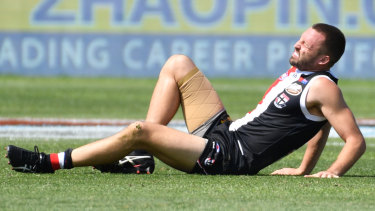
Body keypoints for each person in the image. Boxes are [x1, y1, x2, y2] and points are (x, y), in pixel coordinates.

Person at [5, 23, 366, 178]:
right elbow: (319, 126)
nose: (296, 45)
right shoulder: (304, 77)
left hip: (229, 158)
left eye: (305, 45)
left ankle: (48, 162)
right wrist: (303, 166)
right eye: (299, 39)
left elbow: (354, 139)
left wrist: (329, 171)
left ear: (324, 60)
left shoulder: (323, 87)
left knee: (140, 129)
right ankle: (142, 160)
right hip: (224, 134)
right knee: (178, 63)